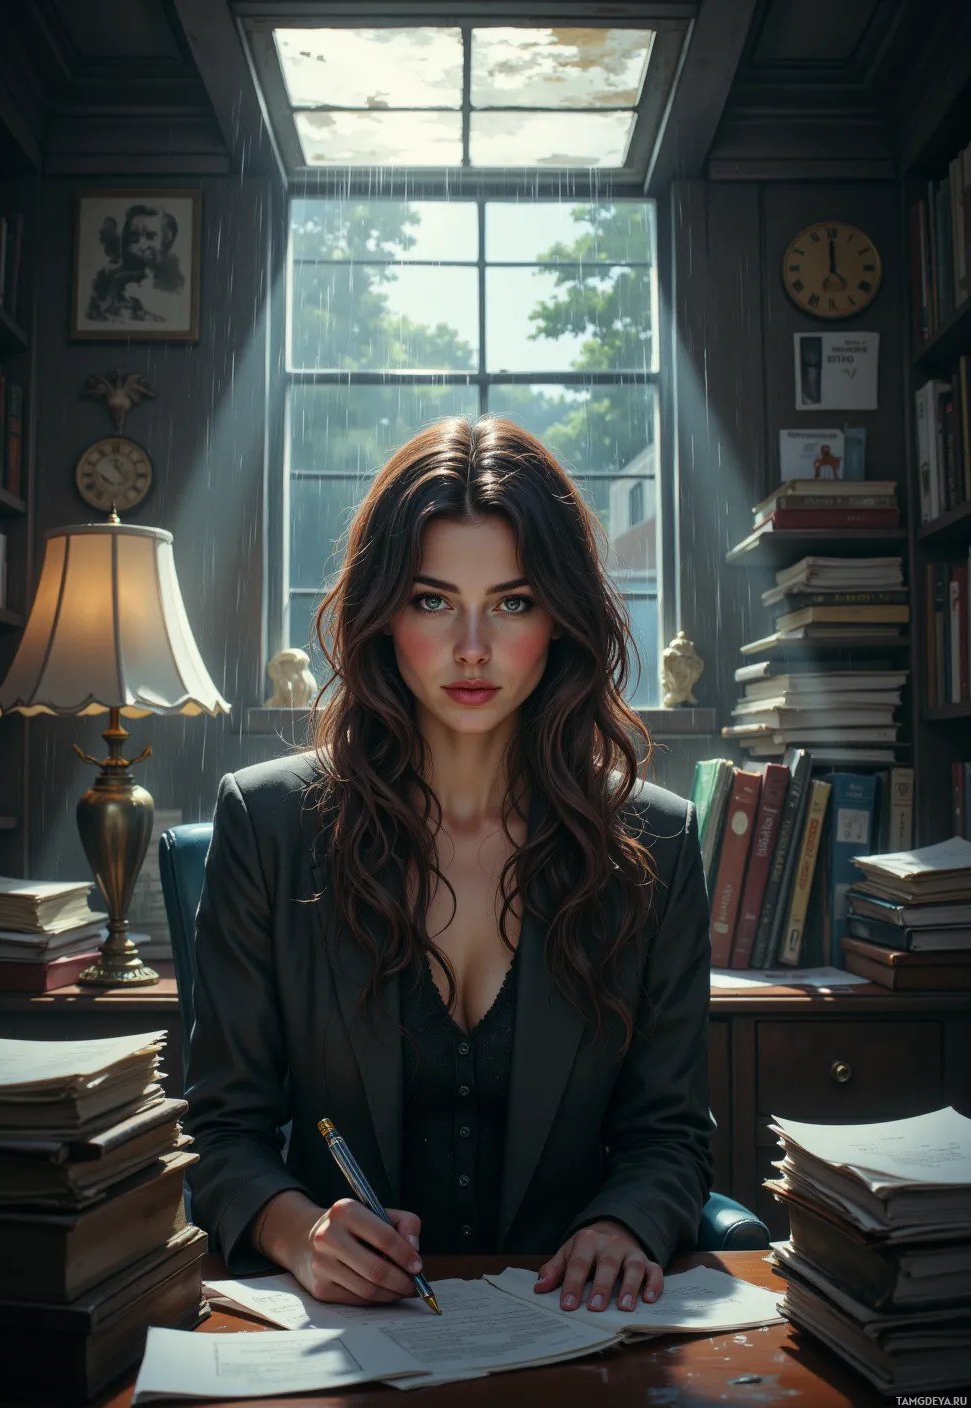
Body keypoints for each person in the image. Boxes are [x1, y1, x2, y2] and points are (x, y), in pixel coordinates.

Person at [183, 416, 713, 1321]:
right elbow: (223, 1135)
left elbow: (669, 1137)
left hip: (574, 1330)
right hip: (342, 1337)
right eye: (433, 600)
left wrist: (625, 1226)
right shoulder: (266, 825)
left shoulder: (655, 845)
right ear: (383, 613)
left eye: (513, 602)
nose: (473, 646)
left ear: (561, 618)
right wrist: (296, 1232)